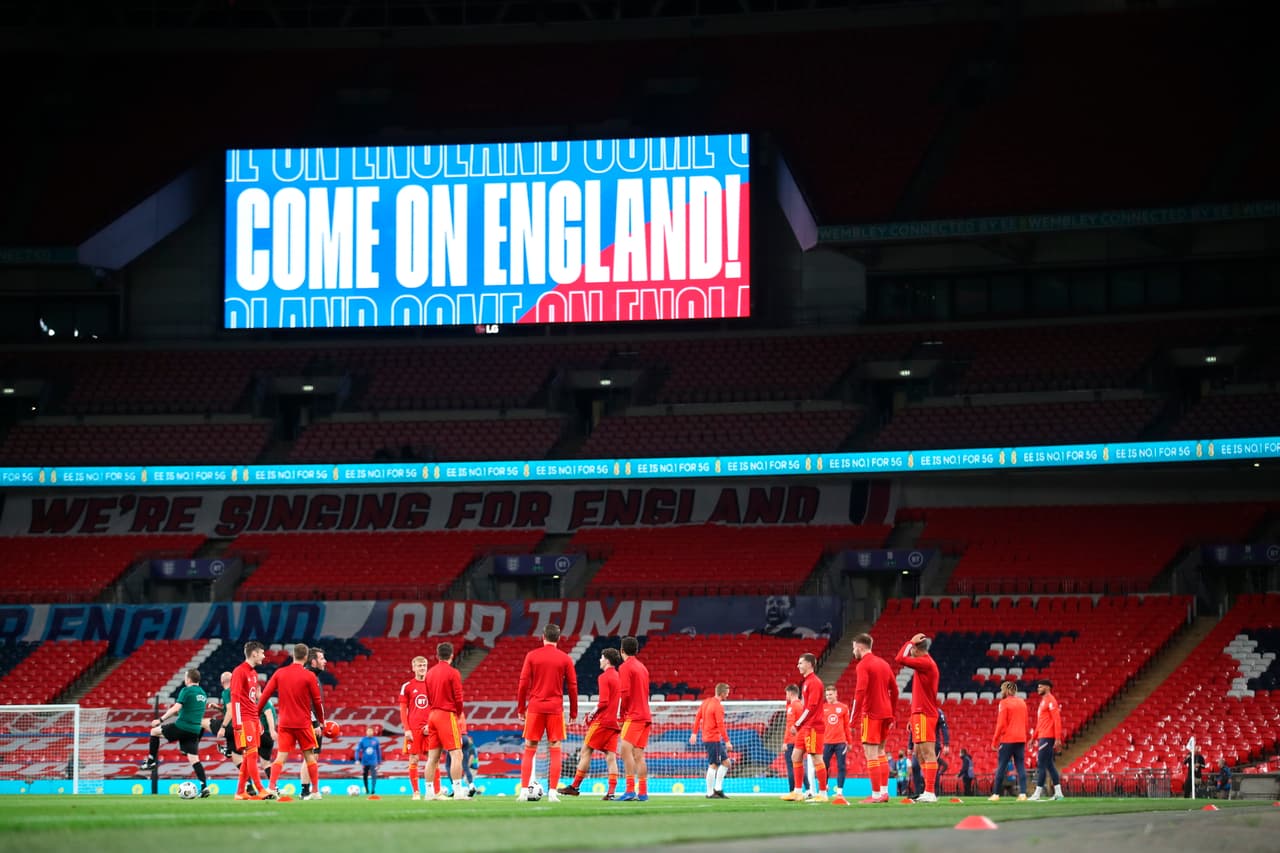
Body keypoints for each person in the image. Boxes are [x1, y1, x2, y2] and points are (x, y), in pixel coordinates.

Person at [516, 623, 578, 803]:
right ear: (558, 638)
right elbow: (573, 686)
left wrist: (521, 708)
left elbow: (523, 684)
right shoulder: (565, 658)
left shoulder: (532, 656)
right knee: (555, 747)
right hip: (555, 709)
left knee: (529, 748)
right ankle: (552, 793)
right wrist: (573, 711)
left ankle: (523, 792)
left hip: (535, 707)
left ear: (543, 636)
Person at [260, 642, 326, 800]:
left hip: (285, 723)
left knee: (280, 757)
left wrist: (256, 714)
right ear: (306, 657)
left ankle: (270, 788)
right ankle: (315, 791)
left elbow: (265, 695)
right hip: (303, 724)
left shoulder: (280, 673)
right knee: (310, 757)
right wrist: (320, 721)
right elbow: (317, 702)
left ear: (293, 655)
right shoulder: (309, 676)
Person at [560, 647, 623, 800]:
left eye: (601, 658)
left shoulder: (604, 677)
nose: (599, 660)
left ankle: (574, 786)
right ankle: (611, 792)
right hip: (615, 722)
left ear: (607, 660)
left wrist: (590, 715)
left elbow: (603, 702)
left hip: (603, 721)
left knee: (585, 752)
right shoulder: (619, 676)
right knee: (611, 756)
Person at [139, 668, 212, 797]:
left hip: (182, 726)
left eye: (185, 677)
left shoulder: (186, 690)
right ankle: (204, 787)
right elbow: (192, 710)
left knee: (154, 731)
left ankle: (151, 761)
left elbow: (177, 708)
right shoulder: (203, 693)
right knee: (194, 759)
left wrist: (160, 719)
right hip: (195, 730)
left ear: (188, 679)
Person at [852, 633, 898, 804]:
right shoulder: (884, 663)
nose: (853, 651)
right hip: (886, 714)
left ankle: (876, 794)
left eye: (854, 647)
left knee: (871, 754)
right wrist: (892, 713)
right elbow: (895, 690)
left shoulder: (863, 664)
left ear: (860, 647)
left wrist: (852, 720)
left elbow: (860, 692)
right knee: (880, 753)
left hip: (871, 713)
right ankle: (884, 792)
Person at [895, 632, 941, 803]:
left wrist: (909, 641)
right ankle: (926, 790)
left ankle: (930, 792)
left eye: (912, 649)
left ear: (915, 649)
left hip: (925, 713)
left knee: (927, 752)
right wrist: (912, 716)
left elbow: (899, 659)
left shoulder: (925, 662)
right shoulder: (923, 664)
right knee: (919, 753)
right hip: (918, 713)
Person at [423, 641, 468, 801]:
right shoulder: (453, 673)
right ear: (451, 655)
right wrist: (458, 714)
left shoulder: (429, 673)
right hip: (446, 715)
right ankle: (458, 792)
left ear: (437, 655)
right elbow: (458, 698)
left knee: (432, 757)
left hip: (433, 715)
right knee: (457, 754)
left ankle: (429, 793)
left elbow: (428, 696)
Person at [782, 653, 828, 803]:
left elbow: (811, 707)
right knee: (795, 756)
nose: (798, 666)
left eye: (800, 663)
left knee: (816, 758)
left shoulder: (813, 682)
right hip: (806, 727)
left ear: (809, 664)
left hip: (813, 726)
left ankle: (823, 793)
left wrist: (797, 724)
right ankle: (797, 792)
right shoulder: (807, 682)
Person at [229, 641, 268, 800]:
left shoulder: (253, 673)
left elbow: (252, 700)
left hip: (252, 719)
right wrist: (237, 723)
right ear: (254, 654)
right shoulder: (240, 671)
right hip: (243, 720)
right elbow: (235, 698)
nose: (264, 656)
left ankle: (240, 792)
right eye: (262, 653)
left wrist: (257, 720)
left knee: (248, 756)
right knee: (252, 754)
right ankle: (261, 789)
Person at [616, 635, 651, 802]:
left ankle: (630, 790)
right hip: (646, 716)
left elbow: (625, 694)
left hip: (634, 716)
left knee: (625, 751)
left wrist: (621, 715)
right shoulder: (642, 667)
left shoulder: (625, 667)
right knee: (639, 755)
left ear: (621, 650)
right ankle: (643, 792)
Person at [215, 670, 255, 796]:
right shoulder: (239, 691)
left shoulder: (227, 692)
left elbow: (231, 710)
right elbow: (232, 708)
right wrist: (218, 709)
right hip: (243, 725)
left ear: (222, 682)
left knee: (203, 722)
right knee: (237, 757)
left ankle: (190, 745)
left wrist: (222, 727)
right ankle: (249, 785)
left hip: (232, 726)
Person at [398, 655, 433, 800]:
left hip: (430, 728)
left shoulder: (433, 684)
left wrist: (431, 725)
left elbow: (437, 707)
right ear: (413, 668)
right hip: (413, 729)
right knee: (414, 760)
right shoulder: (407, 686)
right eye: (419, 665)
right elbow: (403, 710)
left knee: (433, 759)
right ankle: (416, 792)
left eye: (424, 665)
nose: (422, 668)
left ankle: (435, 792)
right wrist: (407, 729)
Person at [690, 682, 732, 799]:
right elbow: (720, 725)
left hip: (708, 738)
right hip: (713, 739)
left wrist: (694, 733)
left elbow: (698, 717)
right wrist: (727, 741)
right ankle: (709, 793)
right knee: (713, 765)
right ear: (722, 693)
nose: (727, 696)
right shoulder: (718, 706)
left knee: (726, 763)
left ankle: (718, 789)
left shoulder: (706, 701)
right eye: (727, 693)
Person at [989, 681, 1029, 802]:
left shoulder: (1004, 703)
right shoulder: (1022, 702)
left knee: (1001, 766)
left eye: (1002, 690)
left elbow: (1001, 724)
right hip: (1021, 738)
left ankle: (996, 794)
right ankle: (1023, 794)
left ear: (1006, 690)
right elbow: (1026, 722)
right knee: (1021, 766)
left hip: (1008, 739)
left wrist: (995, 740)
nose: (1001, 692)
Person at [1029, 679, 1065, 801]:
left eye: (1040, 687)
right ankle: (1059, 793)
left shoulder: (1051, 701)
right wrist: (1033, 738)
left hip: (1047, 736)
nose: (1038, 689)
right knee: (1049, 765)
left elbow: (1057, 720)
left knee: (1041, 764)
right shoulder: (1043, 701)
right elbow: (1040, 723)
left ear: (1047, 687)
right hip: (1042, 736)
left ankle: (1037, 794)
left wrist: (1058, 738)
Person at [299, 646, 327, 798]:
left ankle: (312, 790)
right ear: (314, 661)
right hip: (309, 723)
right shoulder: (308, 676)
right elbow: (306, 703)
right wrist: (315, 722)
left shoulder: (314, 677)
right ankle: (305, 791)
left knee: (313, 757)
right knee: (309, 756)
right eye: (322, 658)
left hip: (313, 722)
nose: (325, 661)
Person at [821, 684, 852, 804]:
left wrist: (849, 742)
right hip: (826, 742)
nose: (828, 696)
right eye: (827, 695)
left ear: (836, 694)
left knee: (841, 766)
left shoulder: (843, 708)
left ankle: (839, 792)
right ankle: (825, 787)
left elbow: (846, 726)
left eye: (830, 694)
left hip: (840, 742)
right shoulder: (823, 708)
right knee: (824, 766)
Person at [909, 708, 950, 797]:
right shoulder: (918, 711)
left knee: (933, 768)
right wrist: (910, 746)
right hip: (919, 743)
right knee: (915, 766)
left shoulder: (938, 712)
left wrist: (946, 743)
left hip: (934, 744)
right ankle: (918, 792)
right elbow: (914, 730)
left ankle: (933, 792)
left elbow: (944, 727)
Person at [749, 596, 822, 639]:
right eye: (770, 602)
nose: (774, 606)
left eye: (780, 603)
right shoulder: (749, 634)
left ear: (791, 611)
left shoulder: (804, 633)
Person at [442, 712, 478, 797]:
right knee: (465, 765)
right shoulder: (461, 712)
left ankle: (455, 787)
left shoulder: (450, 712)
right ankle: (471, 785)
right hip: (465, 737)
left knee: (448, 765)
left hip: (456, 736)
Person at [778, 685, 803, 799]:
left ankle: (793, 791)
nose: (786, 696)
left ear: (791, 693)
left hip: (792, 741)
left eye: (787, 694)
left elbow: (790, 726)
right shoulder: (801, 705)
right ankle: (807, 789)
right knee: (799, 765)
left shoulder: (792, 706)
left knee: (791, 766)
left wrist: (785, 742)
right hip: (800, 739)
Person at [355, 724, 383, 795]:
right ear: (366, 732)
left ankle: (373, 790)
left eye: (371, 731)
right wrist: (357, 759)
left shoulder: (376, 740)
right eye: (368, 731)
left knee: (374, 775)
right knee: (365, 776)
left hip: (373, 761)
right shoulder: (363, 740)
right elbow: (357, 750)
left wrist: (379, 762)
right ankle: (367, 790)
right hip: (365, 761)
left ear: (373, 732)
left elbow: (378, 751)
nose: (370, 732)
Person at [258, 673, 278, 765]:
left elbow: (269, 714)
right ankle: (272, 778)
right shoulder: (266, 700)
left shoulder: (263, 700)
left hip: (264, 735)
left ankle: (230, 750)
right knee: (265, 763)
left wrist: (272, 730)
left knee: (245, 752)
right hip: (268, 736)